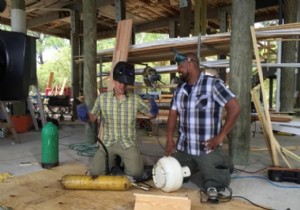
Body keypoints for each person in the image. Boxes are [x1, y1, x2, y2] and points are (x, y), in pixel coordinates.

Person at [165, 53, 241, 192]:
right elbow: (172, 114)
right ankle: (201, 164)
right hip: (184, 148)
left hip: (206, 148)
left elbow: (235, 108)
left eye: (181, 66)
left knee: (215, 185)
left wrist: (221, 136)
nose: (178, 70)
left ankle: (223, 162)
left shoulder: (213, 84)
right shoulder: (179, 90)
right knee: (169, 175)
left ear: (191, 63)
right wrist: (170, 139)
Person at [77, 61, 158, 179]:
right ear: (114, 80)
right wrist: (85, 116)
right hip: (108, 143)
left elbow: (150, 114)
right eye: (120, 82)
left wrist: (154, 110)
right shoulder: (102, 99)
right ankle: (115, 163)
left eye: (126, 83)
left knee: (136, 173)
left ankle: (123, 162)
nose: (122, 86)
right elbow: (93, 118)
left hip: (128, 143)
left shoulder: (135, 99)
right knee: (96, 172)